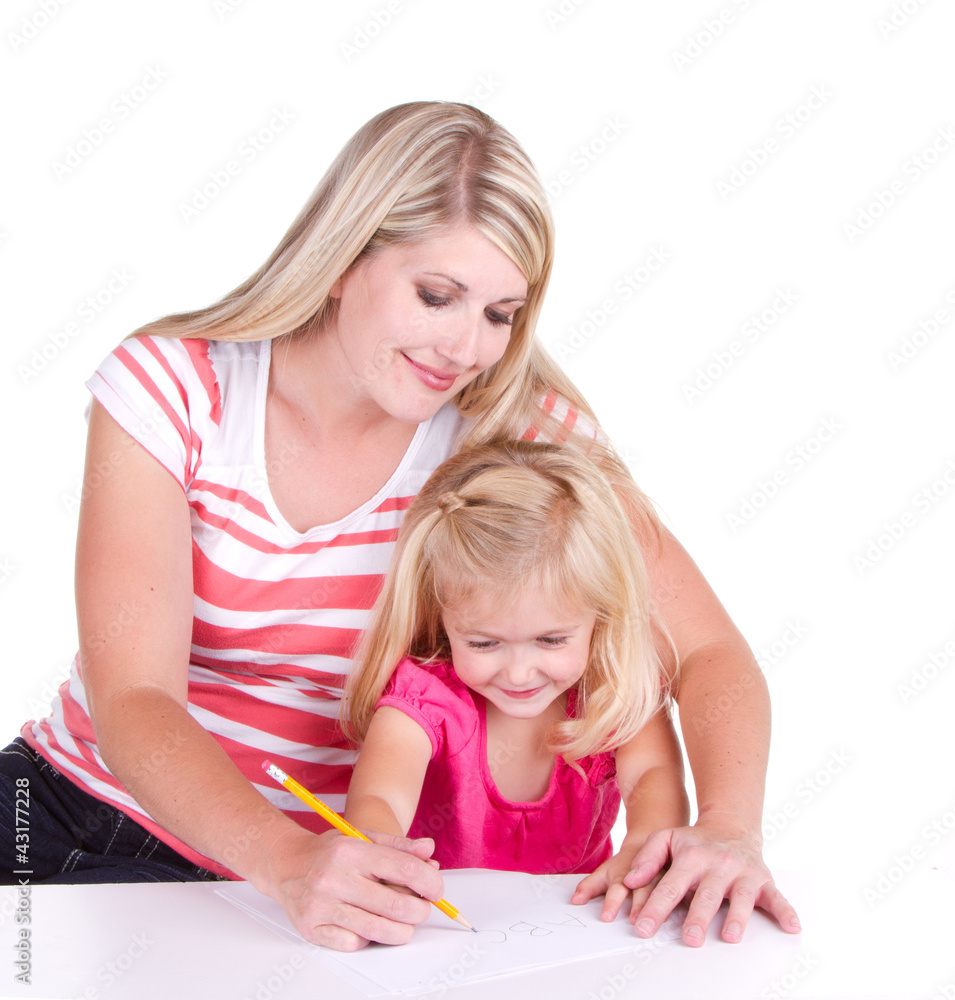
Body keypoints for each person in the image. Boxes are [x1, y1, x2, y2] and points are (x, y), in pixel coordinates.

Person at [0, 100, 799, 952]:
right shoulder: (173, 390)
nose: (464, 348)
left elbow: (708, 651)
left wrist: (725, 830)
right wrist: (285, 858)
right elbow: (135, 699)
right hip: (85, 821)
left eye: (500, 314)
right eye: (437, 296)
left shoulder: (520, 436)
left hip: (345, 887)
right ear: (342, 260)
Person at [343, 438, 690, 925]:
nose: (520, 673)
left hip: (584, 929)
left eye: (550, 640)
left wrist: (644, 848)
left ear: (601, 614)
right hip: (441, 931)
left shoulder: (613, 692)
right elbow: (379, 798)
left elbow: (654, 777)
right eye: (484, 644)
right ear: (442, 617)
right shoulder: (426, 699)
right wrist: (382, 855)